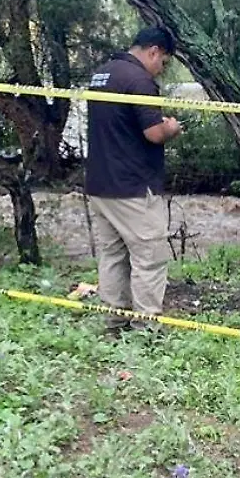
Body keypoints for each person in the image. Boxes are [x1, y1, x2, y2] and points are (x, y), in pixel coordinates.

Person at [85, 27, 183, 333]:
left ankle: (114, 322)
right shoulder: (139, 80)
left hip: (100, 183)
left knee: (112, 255)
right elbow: (153, 133)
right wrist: (171, 128)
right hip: (133, 186)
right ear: (154, 51)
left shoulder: (102, 74)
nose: (161, 70)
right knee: (149, 257)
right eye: (163, 62)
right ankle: (147, 328)